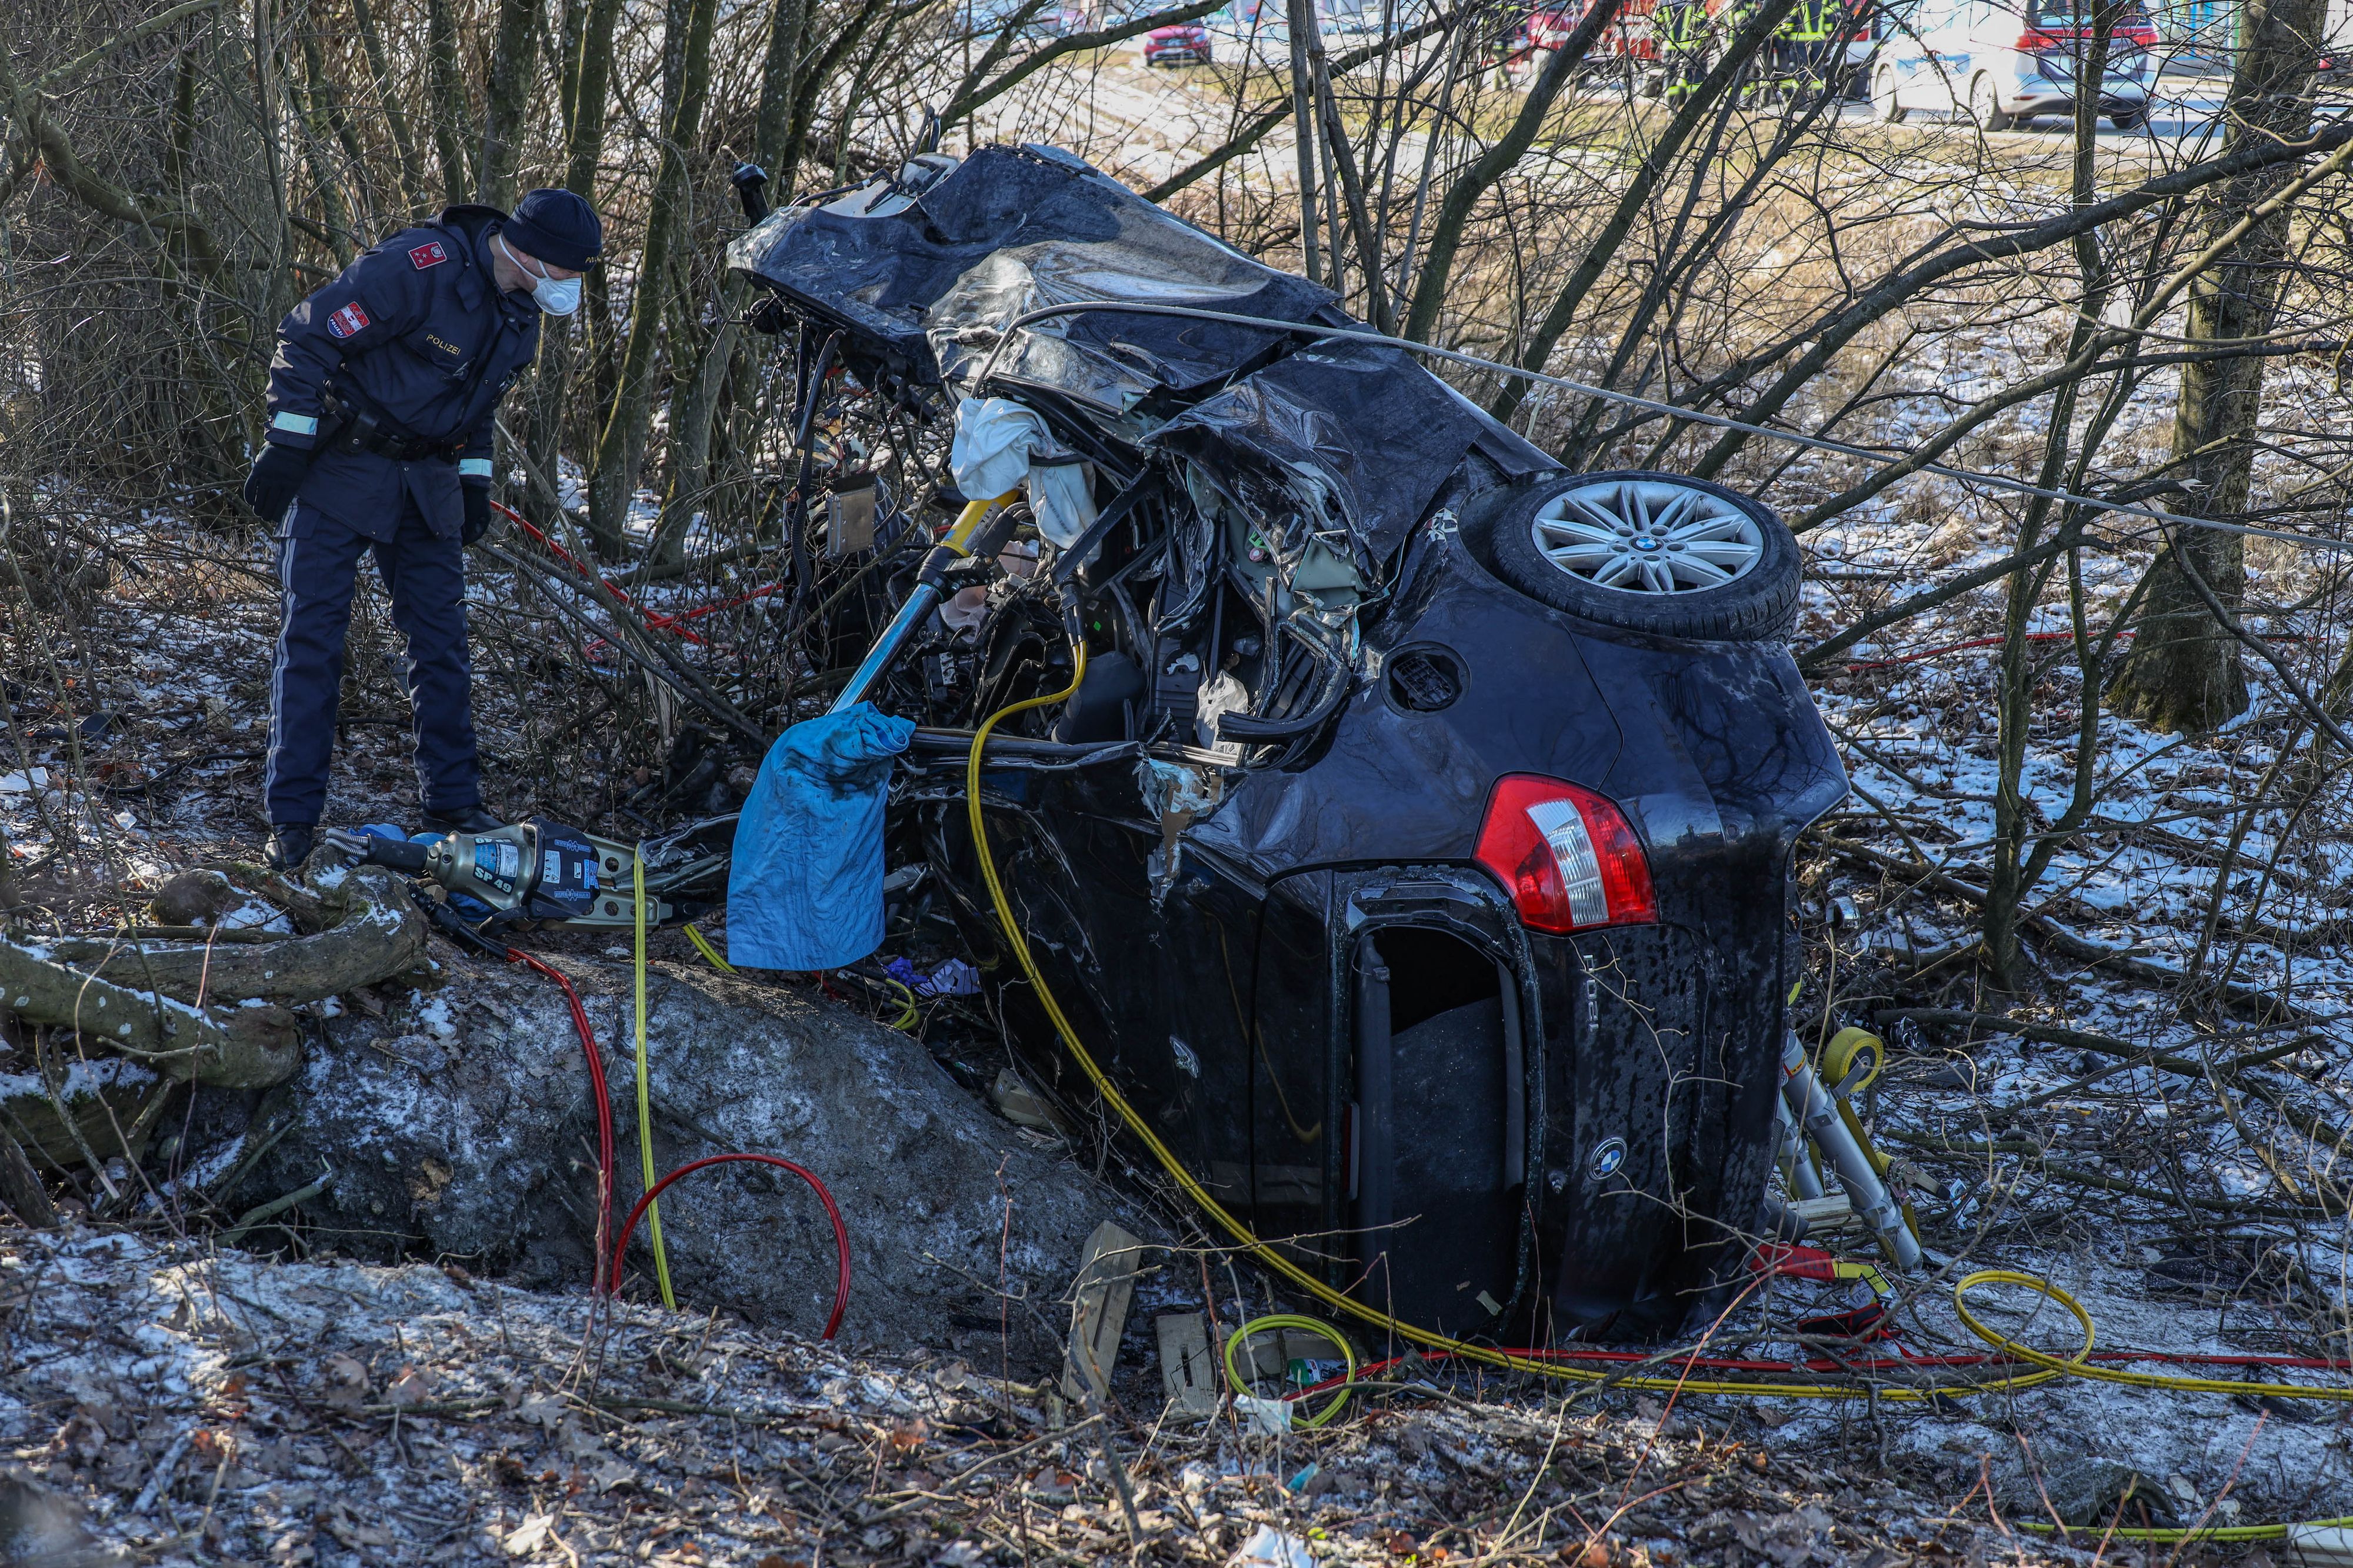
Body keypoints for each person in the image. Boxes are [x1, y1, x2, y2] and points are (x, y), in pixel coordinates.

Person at [241, 188, 601, 871]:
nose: (573, 289)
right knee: (313, 641)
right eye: (571, 272)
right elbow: (307, 334)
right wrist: (287, 442)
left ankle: (453, 801)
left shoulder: (521, 313)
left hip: (427, 487)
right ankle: (291, 818)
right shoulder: (418, 266)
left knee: (442, 643)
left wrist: (473, 484)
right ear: (531, 254)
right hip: (343, 471)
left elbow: (475, 411)